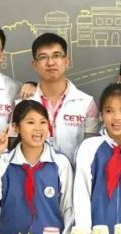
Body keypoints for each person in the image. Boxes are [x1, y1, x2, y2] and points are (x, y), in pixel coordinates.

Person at [0, 101, 74, 234]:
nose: (38, 128)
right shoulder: (4, 162)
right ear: (16, 127)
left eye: (43, 122)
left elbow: (68, 205)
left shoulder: (60, 163)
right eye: (30, 122)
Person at [73, 84, 121, 234]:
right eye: (109, 111)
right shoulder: (89, 148)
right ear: (101, 115)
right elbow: (82, 194)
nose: (116, 117)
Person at [24, 33, 99, 161]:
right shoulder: (23, 103)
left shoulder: (87, 103)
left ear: (67, 61)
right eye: (43, 57)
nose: (50, 62)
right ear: (34, 65)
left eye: (56, 55)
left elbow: (90, 151)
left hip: (74, 173)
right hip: (34, 173)